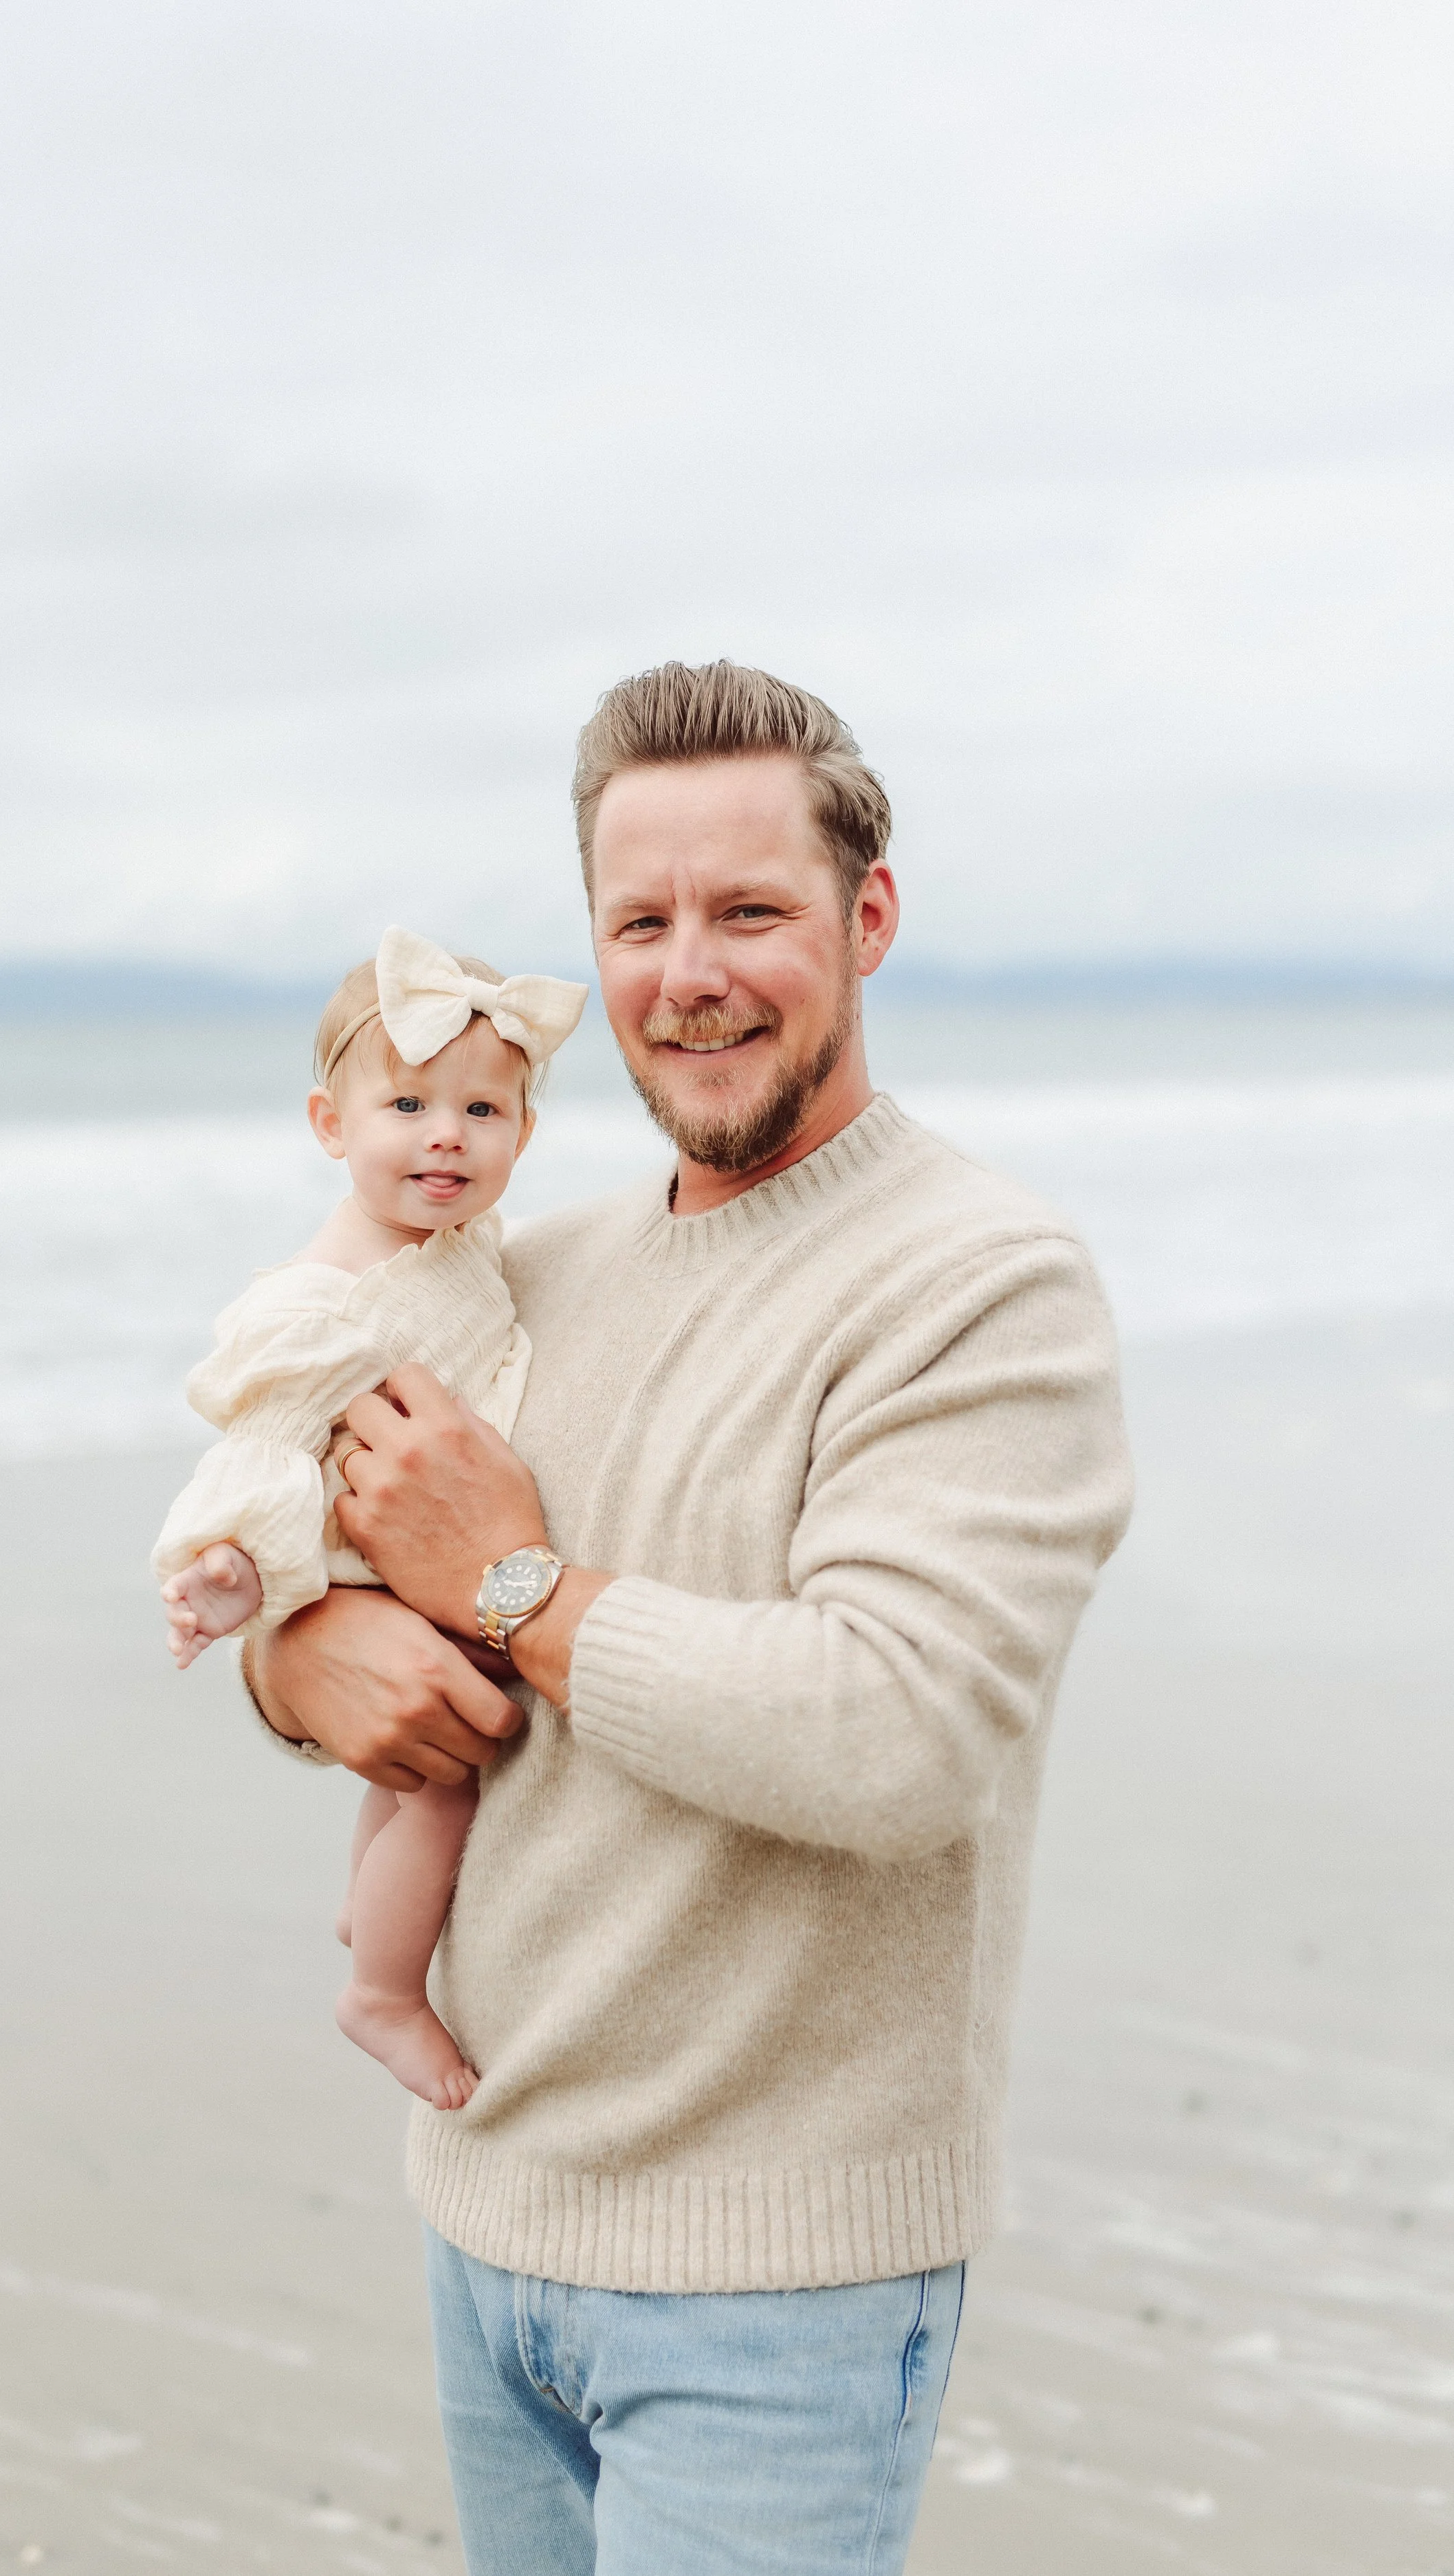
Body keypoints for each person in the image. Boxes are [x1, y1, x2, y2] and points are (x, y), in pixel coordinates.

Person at [244, 660, 1134, 2575]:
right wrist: (289, 1664)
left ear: (867, 917)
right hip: (484, 2214)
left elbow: (889, 1733)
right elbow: (298, 1533)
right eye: (638, 922)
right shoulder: (514, 1270)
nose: (688, 974)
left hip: (774, 2287)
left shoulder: (983, 1283)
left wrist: (512, 1581)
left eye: (749, 912)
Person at [151, 926, 585, 2108]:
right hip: (375, 1570)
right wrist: (239, 1578)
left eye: (483, 1114)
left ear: (523, 1137)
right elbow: (266, 1450)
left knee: (401, 1783)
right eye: (406, 1103)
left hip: (425, 1564)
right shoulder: (319, 1300)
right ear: (330, 1126)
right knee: (444, 1783)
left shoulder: (467, 1247)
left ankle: (365, 1904)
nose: (446, 1135)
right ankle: (383, 1994)